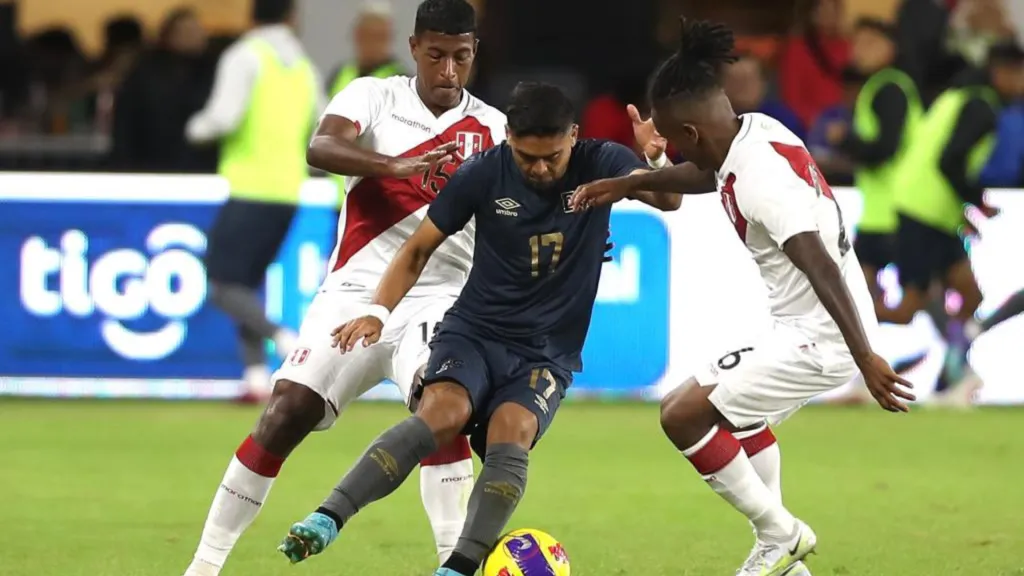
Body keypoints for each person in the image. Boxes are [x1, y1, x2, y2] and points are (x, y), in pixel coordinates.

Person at [276, 82, 681, 576]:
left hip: (545, 352)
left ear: (574, 136)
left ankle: (458, 567)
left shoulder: (602, 160)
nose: (540, 169)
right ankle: (328, 516)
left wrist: (655, 159)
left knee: (513, 432)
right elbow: (417, 249)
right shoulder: (484, 171)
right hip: (475, 331)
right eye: (527, 157)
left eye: (552, 157)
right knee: (441, 413)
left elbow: (668, 199)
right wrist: (379, 312)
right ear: (508, 137)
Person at [570, 19, 913, 576]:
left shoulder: (763, 181)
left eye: (676, 141)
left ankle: (781, 535)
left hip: (822, 339)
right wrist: (635, 180)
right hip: (801, 328)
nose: (676, 150)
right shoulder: (751, 131)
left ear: (693, 131)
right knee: (738, 417)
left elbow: (820, 266)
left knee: (682, 415)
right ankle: (785, 560)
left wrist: (865, 358)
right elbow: (707, 177)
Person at [181, 1, 505, 574]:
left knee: (442, 406)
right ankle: (203, 568)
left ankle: (452, 564)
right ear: (414, 48)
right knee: (286, 410)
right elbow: (321, 146)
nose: (448, 70)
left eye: (461, 56)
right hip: (354, 290)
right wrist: (394, 166)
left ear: (474, 52)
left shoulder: (496, 129)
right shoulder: (372, 96)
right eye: (436, 55)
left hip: (441, 295)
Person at [186, 0, 324, 402]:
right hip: (288, 190)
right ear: (292, 18)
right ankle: (255, 378)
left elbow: (223, 117)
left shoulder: (244, 57)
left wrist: (193, 128)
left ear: (251, 16)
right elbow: (320, 124)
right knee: (245, 285)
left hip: (249, 187)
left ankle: (283, 338)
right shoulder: (304, 67)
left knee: (222, 284)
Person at [883, 40, 1024, 404]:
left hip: (934, 212)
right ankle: (837, 328)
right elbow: (950, 161)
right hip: (922, 212)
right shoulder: (981, 106)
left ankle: (952, 375)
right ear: (1002, 72)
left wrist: (964, 213)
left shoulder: (959, 96)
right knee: (907, 309)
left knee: (971, 295)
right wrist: (978, 203)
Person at [110, 8, 213, 172]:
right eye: (186, 31)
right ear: (169, 36)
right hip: (151, 163)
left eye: (197, 31)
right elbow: (125, 121)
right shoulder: (145, 72)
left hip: (201, 166)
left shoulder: (215, 70)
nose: (193, 36)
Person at [327, 1, 406, 212]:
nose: (373, 43)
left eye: (380, 37)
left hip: (379, 198)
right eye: (367, 35)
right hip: (340, 197)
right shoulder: (340, 74)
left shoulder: (401, 82)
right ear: (356, 36)